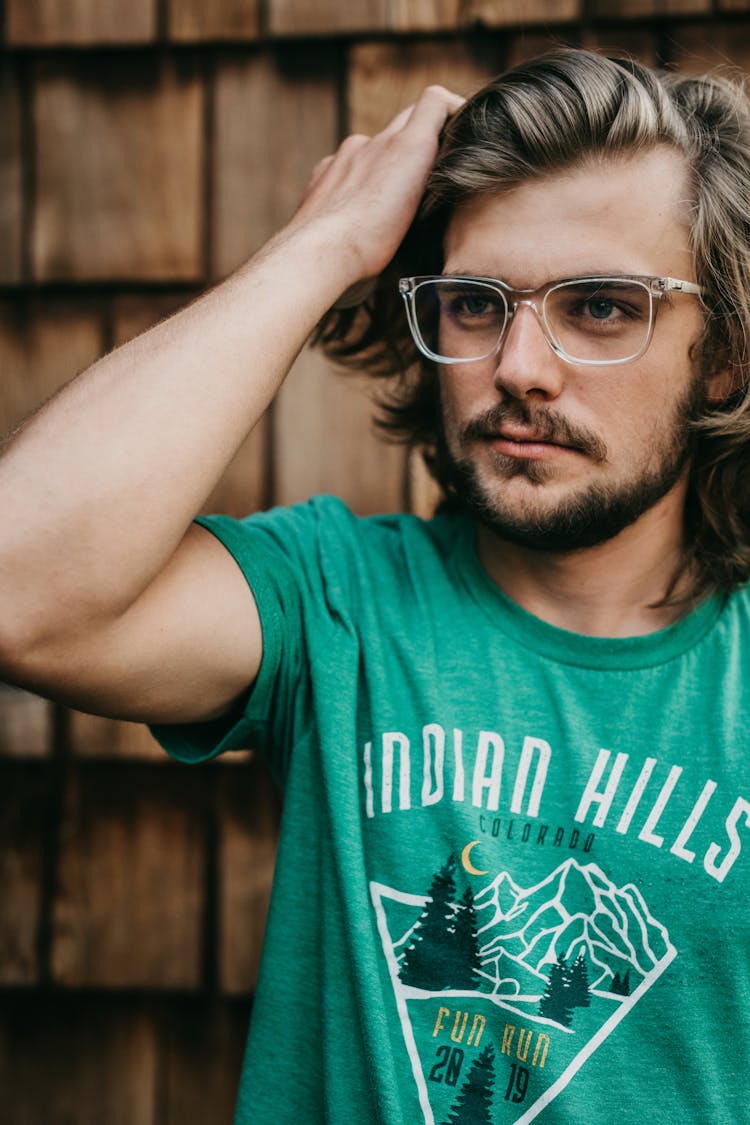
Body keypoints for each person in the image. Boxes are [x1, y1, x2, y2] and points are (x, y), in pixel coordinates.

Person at [1, 46, 749, 1123]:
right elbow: (19, 587)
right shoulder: (336, 604)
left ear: (720, 355)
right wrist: (321, 247)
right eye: (474, 304)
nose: (521, 368)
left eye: (599, 306)